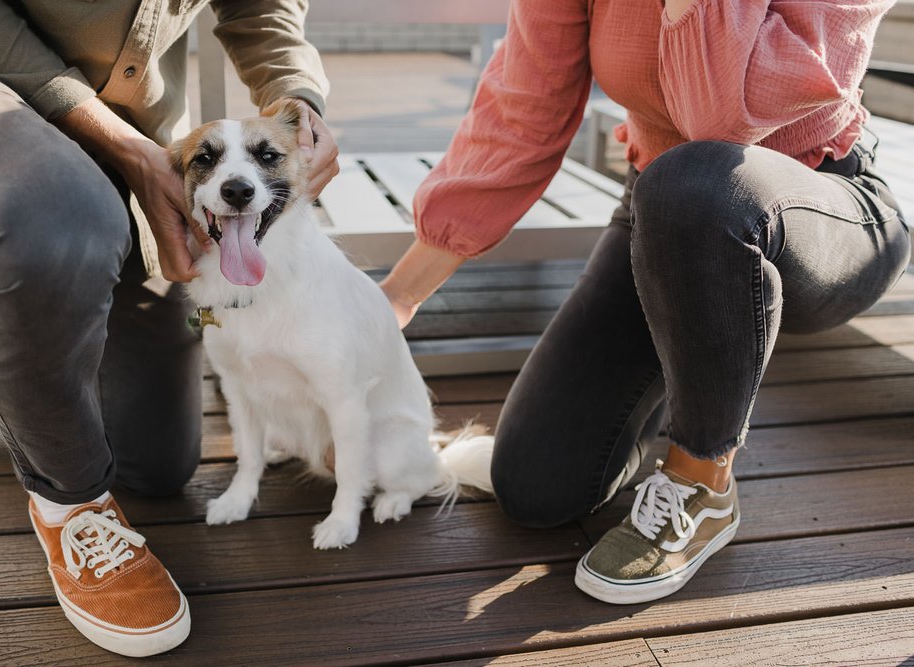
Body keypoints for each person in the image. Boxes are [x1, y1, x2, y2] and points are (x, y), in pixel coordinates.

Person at [380, 0, 910, 604]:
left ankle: (701, 480)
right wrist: (398, 296)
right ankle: (684, 357)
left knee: (696, 184)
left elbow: (720, 119)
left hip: (823, 202)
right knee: (537, 487)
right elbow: (521, 112)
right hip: (663, 207)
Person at [0, 0, 338, 656]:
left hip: (132, 129)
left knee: (154, 462)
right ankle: (70, 506)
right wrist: (130, 150)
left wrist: (295, 92)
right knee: (49, 226)